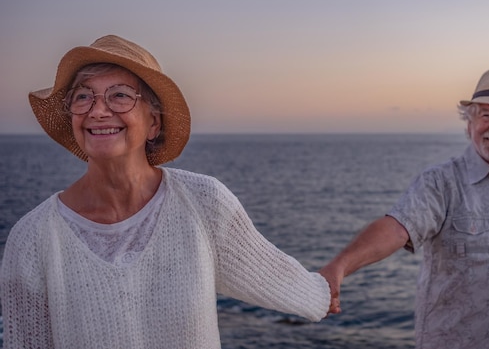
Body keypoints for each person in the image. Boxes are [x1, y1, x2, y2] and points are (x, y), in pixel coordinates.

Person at [0, 35, 331, 349]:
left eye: (119, 95)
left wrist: (342, 268)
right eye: (83, 96)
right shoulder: (32, 239)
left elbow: (299, 290)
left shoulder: (204, 203)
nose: (98, 111)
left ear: (153, 122)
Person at [320, 69, 489, 349]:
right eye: (486, 116)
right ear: (468, 126)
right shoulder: (440, 183)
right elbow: (397, 228)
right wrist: (340, 267)